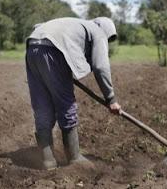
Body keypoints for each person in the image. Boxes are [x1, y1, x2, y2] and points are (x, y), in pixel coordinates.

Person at [25, 17, 121, 170]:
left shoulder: (76, 24)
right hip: (53, 51)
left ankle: (48, 160)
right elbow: (101, 66)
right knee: (66, 104)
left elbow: (38, 26)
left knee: (42, 105)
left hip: (33, 47)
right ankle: (74, 158)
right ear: (105, 31)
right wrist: (111, 99)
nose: (106, 42)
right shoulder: (98, 32)